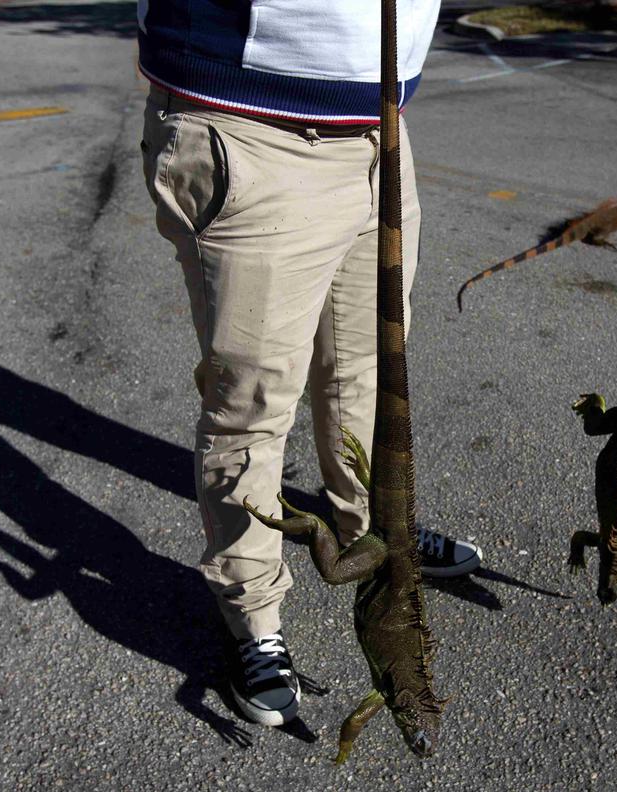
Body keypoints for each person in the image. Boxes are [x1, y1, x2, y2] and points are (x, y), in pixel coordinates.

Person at [136, 0, 482, 727]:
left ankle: (373, 532)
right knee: (254, 405)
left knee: (369, 374)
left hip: (381, 118)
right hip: (249, 119)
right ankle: (252, 609)